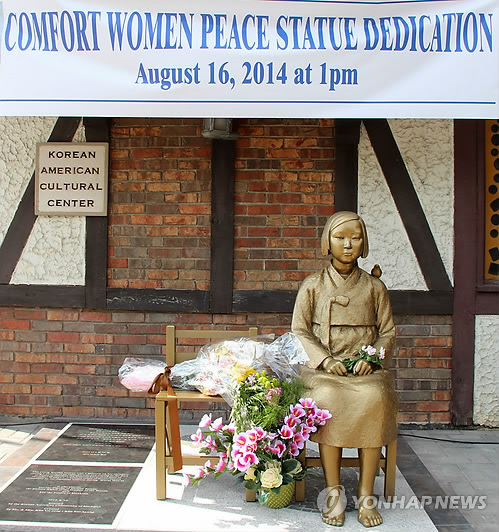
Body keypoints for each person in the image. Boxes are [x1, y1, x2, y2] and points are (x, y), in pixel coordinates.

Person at [291, 211, 398, 528]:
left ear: (364, 243)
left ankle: (366, 495)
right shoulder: (313, 285)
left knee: (375, 398)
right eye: (340, 237)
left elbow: (387, 332)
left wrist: (372, 358)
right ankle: (334, 492)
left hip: (365, 370)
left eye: (355, 238)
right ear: (328, 241)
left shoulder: (374, 287)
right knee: (327, 399)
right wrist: (325, 360)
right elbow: (300, 330)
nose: (348, 245)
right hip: (325, 370)